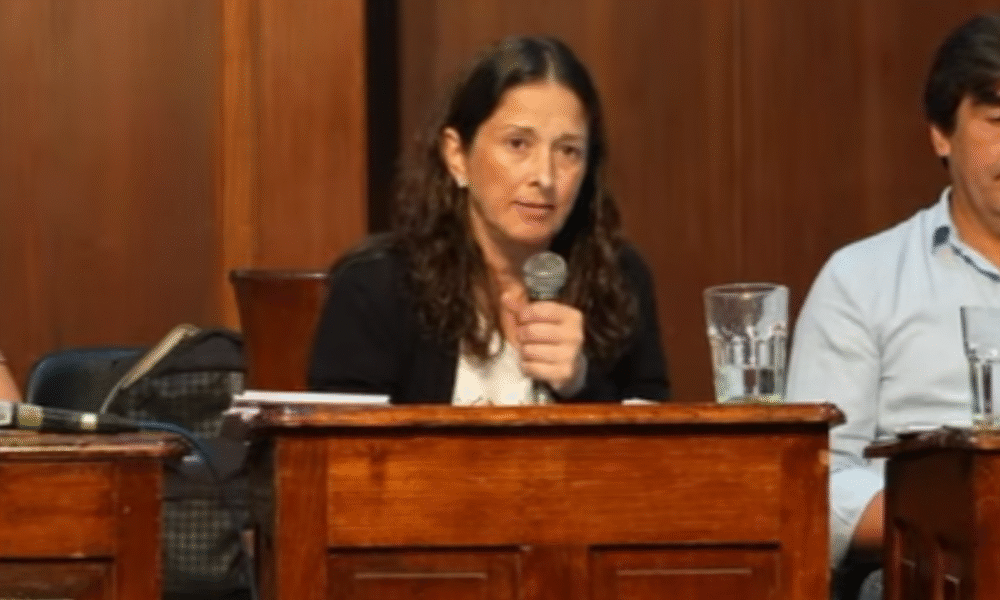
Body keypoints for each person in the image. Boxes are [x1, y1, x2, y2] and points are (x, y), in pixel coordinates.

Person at [309, 35, 669, 404]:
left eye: (568, 151)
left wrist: (580, 382)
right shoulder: (376, 286)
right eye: (518, 144)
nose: (545, 177)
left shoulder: (619, 279)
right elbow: (343, 438)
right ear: (457, 155)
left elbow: (654, 430)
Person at [786, 13, 1000, 597]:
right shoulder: (863, 280)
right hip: (931, 568)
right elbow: (816, 477)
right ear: (941, 134)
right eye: (998, 121)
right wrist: (963, 521)